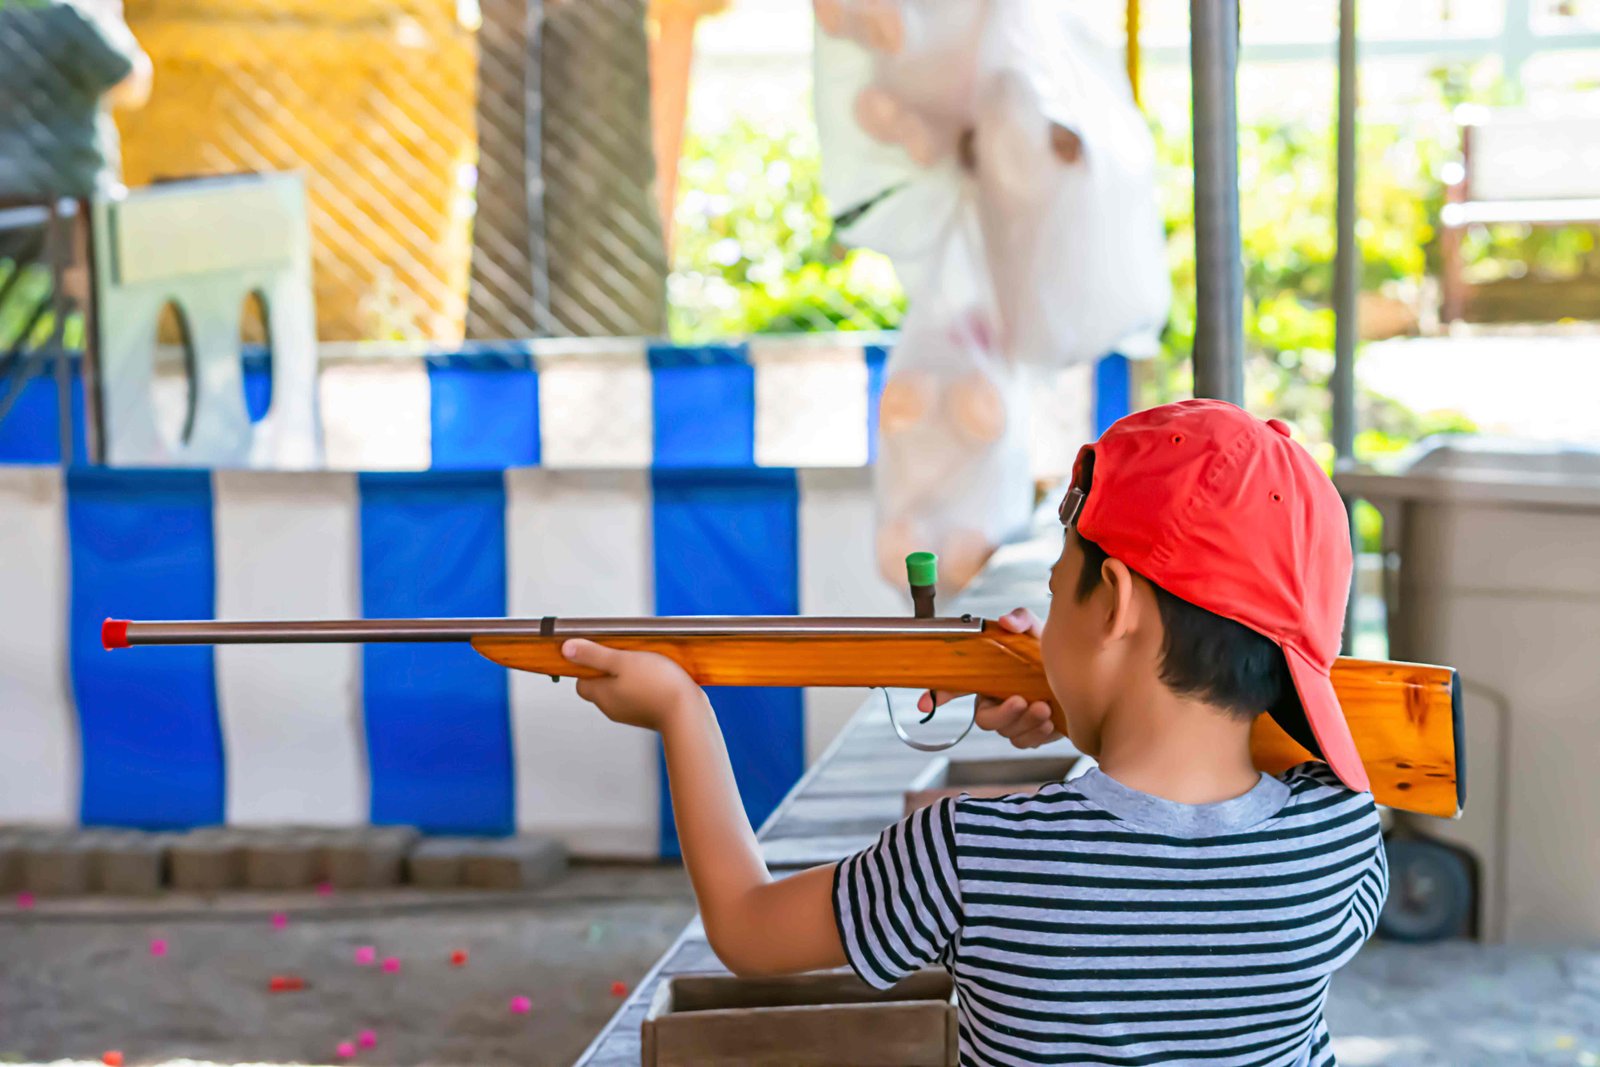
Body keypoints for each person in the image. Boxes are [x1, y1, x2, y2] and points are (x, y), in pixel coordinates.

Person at [563, 398, 1388, 1067]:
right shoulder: (1341, 834)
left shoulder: (972, 852)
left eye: (1062, 587)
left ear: (1118, 602)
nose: (1049, 609)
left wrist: (680, 710)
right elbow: (1185, 805)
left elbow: (745, 926)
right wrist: (1075, 704)